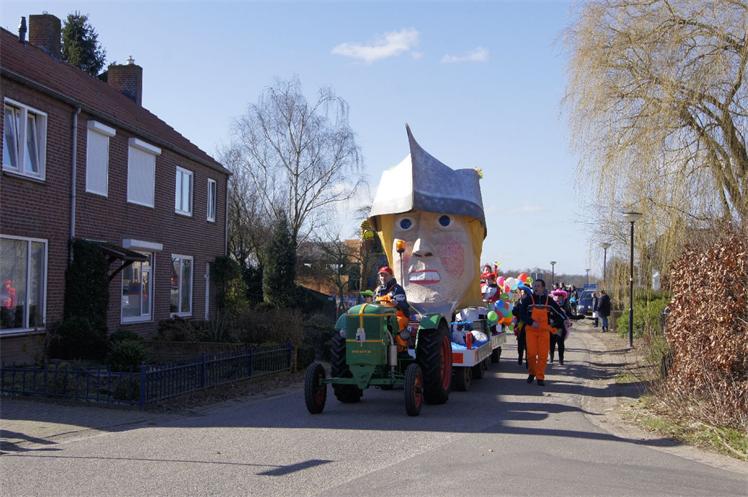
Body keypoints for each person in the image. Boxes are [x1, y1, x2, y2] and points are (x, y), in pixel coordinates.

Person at [515, 279, 568, 386]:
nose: (536, 288)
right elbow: (522, 313)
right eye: (535, 286)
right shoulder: (528, 300)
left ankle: (540, 377)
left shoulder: (549, 300)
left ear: (543, 288)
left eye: (538, 286)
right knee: (531, 354)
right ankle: (532, 372)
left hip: (544, 332)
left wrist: (563, 321)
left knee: (543, 355)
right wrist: (531, 322)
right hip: (530, 331)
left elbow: (559, 313)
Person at [375, 266, 411, 350]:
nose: (383, 277)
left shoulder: (397, 289)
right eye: (381, 275)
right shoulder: (377, 290)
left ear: (391, 276)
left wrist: (397, 303)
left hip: (398, 315)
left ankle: (401, 348)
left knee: (396, 323)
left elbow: (404, 306)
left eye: (386, 275)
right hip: (381, 316)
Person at [549, 289, 585, 365]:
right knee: (551, 344)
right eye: (557, 296)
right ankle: (551, 359)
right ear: (554, 297)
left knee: (560, 344)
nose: (558, 298)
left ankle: (561, 360)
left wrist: (579, 317)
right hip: (551, 328)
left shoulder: (564, 307)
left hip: (560, 328)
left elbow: (570, 316)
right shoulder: (550, 307)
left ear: (563, 298)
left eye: (560, 297)